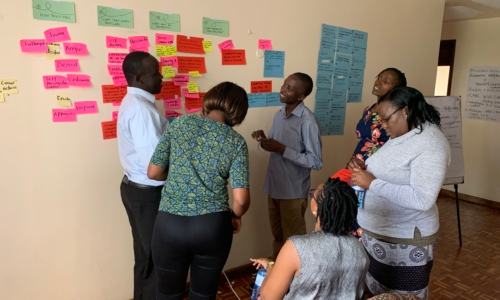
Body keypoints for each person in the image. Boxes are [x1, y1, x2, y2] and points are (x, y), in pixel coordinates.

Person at [148, 82, 251, 300]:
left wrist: (177, 174)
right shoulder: (236, 142)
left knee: (167, 294)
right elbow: (241, 200)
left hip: (169, 225)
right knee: (203, 294)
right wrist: (236, 216)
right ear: (239, 112)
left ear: (208, 101)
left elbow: (154, 172)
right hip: (212, 227)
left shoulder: (179, 124)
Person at [350, 86, 451, 300]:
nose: (383, 125)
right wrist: (364, 166)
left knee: (402, 297)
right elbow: (391, 170)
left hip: (404, 240)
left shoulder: (431, 144)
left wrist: (372, 183)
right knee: (380, 294)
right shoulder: (403, 135)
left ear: (405, 111)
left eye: (386, 119)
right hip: (380, 235)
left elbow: (422, 198)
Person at [250, 178, 369, 300]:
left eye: (313, 194)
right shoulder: (359, 249)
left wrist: (270, 266)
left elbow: (268, 297)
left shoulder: (296, 247)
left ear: (315, 207)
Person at [251, 72, 322, 260]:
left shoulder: (308, 121)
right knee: (278, 238)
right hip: (274, 186)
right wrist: (264, 140)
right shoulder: (279, 113)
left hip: (293, 192)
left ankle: (297, 285)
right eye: (284, 84)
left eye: (289, 88)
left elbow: (315, 161)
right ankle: (277, 279)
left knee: (294, 243)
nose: (283, 89)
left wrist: (283, 149)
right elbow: (275, 146)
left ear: (301, 97)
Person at [117, 51, 168, 300]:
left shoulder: (137, 103)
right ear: (139, 77)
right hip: (148, 194)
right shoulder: (141, 110)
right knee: (157, 259)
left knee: (145, 257)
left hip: (136, 190)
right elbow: (155, 168)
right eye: (156, 73)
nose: (162, 77)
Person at [347, 68, 407, 170]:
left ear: (396, 90)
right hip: (356, 164)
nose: (378, 82)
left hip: (378, 169)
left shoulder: (397, 114)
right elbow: (363, 142)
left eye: (385, 82)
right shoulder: (368, 110)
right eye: (379, 78)